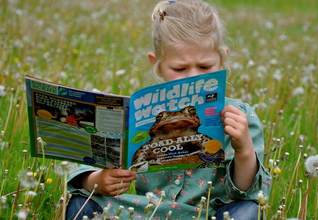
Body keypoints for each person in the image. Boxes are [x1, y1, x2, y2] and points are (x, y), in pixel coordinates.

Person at [66, 0, 272, 219]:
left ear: (221, 59)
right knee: (83, 200)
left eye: (205, 66)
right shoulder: (139, 113)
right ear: (157, 64)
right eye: (179, 68)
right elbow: (88, 172)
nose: (194, 77)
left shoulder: (237, 115)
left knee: (248, 210)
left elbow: (248, 191)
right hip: (148, 212)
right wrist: (96, 180)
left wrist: (244, 150)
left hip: (210, 214)